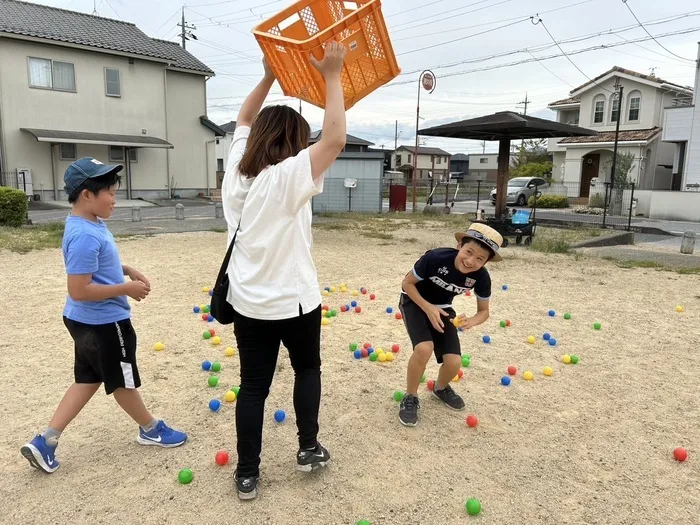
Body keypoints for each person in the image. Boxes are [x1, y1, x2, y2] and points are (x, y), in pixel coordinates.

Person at [220, 42, 348, 500]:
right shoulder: (286, 176)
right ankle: (308, 447)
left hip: (248, 303)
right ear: (293, 144)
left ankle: (247, 473)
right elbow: (334, 140)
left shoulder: (236, 171)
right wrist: (332, 74)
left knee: (252, 387)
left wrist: (271, 75)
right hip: (295, 302)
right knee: (306, 369)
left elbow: (242, 118)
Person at [21, 158, 187, 474]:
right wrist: (125, 288)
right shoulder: (85, 234)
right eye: (109, 192)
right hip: (103, 323)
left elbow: (97, 266)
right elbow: (79, 289)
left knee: (88, 379)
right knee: (122, 382)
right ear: (87, 194)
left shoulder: (89, 224)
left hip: (84, 322)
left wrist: (125, 269)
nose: (114, 198)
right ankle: (150, 429)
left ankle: (46, 440)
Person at [397, 223, 504, 427]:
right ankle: (410, 397)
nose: (471, 261)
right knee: (424, 348)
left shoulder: (481, 277)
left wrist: (470, 321)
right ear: (459, 245)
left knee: (454, 362)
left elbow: (484, 311)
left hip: (443, 307)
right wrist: (428, 308)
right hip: (414, 300)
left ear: (486, 262)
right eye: (468, 252)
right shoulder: (436, 258)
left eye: (480, 259)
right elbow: (407, 283)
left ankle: (440, 388)